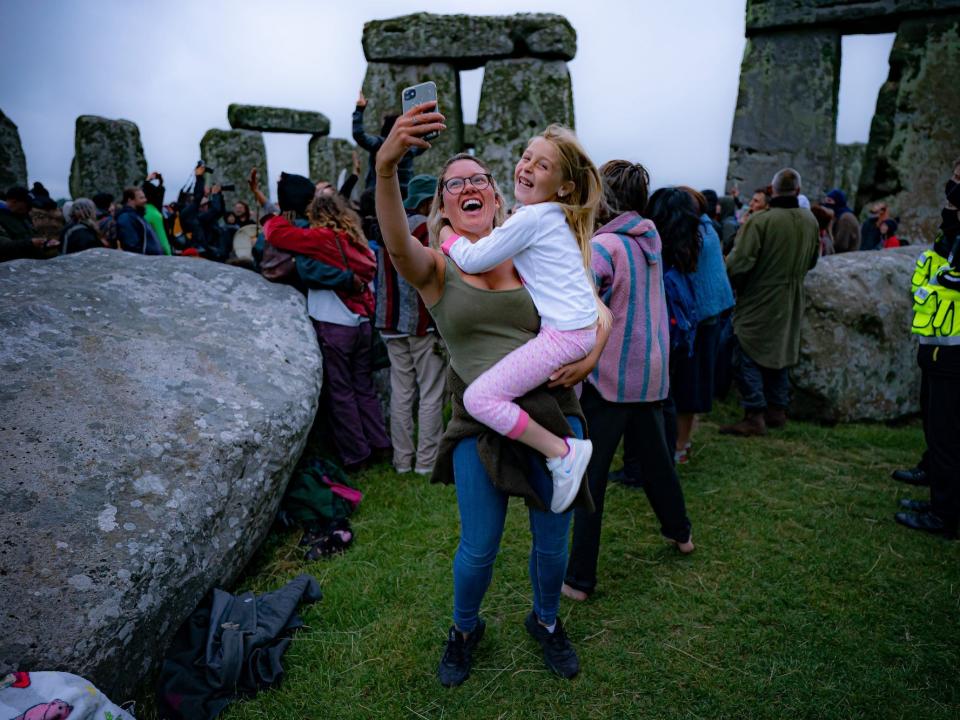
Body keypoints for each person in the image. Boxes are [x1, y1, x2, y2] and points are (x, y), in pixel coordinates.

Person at [375, 100, 595, 686]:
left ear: (496, 199)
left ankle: (545, 620)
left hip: (552, 410)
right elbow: (398, 246)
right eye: (455, 184)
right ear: (443, 203)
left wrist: (591, 355)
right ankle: (465, 627)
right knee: (479, 548)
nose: (468, 188)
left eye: (479, 180)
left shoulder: (528, 247)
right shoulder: (437, 268)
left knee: (554, 545)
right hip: (481, 422)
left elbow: (591, 309)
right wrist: (385, 169)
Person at [437, 124, 607, 513]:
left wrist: (447, 234)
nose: (528, 168)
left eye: (543, 166)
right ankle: (559, 449)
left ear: (564, 186)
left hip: (563, 336)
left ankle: (562, 452)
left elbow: (474, 258)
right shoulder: (552, 217)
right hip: (572, 332)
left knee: (479, 397)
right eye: (527, 157)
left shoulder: (530, 219)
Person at [563, 160, 694, 603]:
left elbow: (581, 304)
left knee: (591, 479)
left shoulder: (605, 247)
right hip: (650, 375)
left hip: (611, 378)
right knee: (658, 464)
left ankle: (579, 579)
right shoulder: (648, 241)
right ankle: (681, 533)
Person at [264, 192, 391, 472]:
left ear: (316, 216)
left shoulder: (322, 239)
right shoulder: (356, 241)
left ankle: (356, 454)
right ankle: (380, 444)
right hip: (362, 322)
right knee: (363, 388)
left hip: (335, 321)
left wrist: (271, 215)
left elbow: (276, 235)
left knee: (341, 392)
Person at [720, 168, 820, 436]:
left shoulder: (761, 222)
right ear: (797, 191)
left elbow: (739, 264)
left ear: (773, 191)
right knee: (780, 352)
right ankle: (777, 410)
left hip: (759, 296)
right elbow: (812, 260)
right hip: (792, 297)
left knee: (745, 349)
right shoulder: (810, 220)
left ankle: (754, 414)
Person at [893, 158, 960, 538]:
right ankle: (938, 491)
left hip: (954, 350)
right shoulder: (952, 230)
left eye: (958, 181)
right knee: (938, 429)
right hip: (938, 343)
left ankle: (944, 514)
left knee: (948, 434)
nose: (952, 188)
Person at [376, 174, 447, 475]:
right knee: (431, 392)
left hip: (390, 321)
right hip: (421, 322)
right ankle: (427, 462)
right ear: (428, 201)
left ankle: (402, 460)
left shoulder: (390, 227)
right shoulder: (427, 229)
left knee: (401, 392)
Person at [671, 187, 735, 463]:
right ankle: (682, 441)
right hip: (710, 317)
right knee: (691, 384)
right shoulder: (708, 230)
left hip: (700, 320)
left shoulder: (697, 237)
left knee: (688, 385)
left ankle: (680, 446)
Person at [353, 91, 424, 196]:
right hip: (405, 197)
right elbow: (425, 141)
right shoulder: (410, 147)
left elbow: (359, 135)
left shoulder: (380, 145)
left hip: (380, 196)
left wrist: (359, 110)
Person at [0, 186, 46, 262]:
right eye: (27, 205)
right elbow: (3, 246)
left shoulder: (23, 216)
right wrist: (30, 244)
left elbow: (31, 236)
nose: (29, 208)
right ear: (13, 201)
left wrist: (45, 244)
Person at [116, 186, 163, 255]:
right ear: (130, 200)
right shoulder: (126, 218)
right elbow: (132, 246)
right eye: (141, 198)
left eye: (144, 197)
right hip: (145, 262)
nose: (145, 200)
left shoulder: (138, 216)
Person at [823, 188, 860, 253]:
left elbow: (841, 245)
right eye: (825, 200)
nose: (826, 203)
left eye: (829, 200)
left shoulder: (846, 218)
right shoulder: (838, 216)